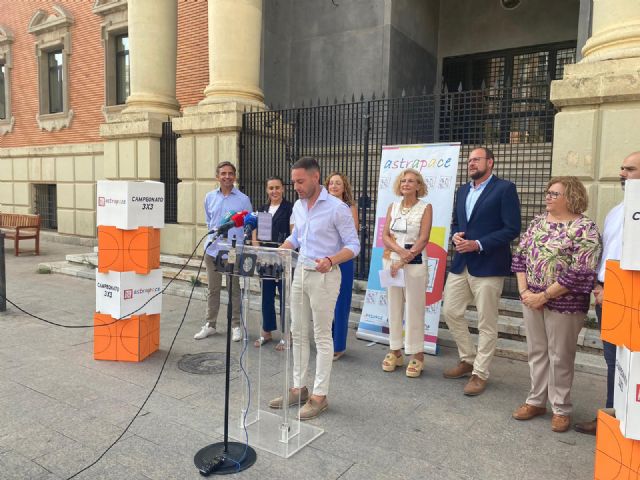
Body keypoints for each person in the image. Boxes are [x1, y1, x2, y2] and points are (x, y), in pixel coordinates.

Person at [268, 156, 360, 420]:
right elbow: (297, 237)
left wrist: (331, 260)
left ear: (315, 177)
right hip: (300, 273)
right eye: (293, 181)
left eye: (300, 181)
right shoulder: (298, 205)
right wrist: (283, 248)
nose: (295, 186)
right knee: (297, 332)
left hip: (325, 276)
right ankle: (299, 388)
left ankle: (320, 395)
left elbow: (354, 245)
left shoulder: (337, 208)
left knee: (321, 335)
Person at [511, 176, 601, 433]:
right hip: (531, 298)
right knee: (536, 351)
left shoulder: (585, 228)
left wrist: (545, 296)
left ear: (571, 197)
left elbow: (581, 271)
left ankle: (561, 408)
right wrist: (525, 291)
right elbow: (520, 256)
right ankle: (536, 401)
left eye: (554, 193)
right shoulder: (538, 222)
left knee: (560, 355)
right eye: (547, 192)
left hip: (565, 301)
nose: (547, 197)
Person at [442, 147, 521, 396]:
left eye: (476, 160)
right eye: (469, 161)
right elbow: (458, 221)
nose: (471, 164)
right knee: (451, 311)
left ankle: (480, 373)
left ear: (490, 162)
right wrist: (456, 234)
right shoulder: (463, 190)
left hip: (489, 264)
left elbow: (512, 229)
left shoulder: (505, 189)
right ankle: (467, 358)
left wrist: (478, 244)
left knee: (487, 322)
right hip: (461, 263)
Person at [574, 151, 640, 435]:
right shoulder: (617, 210)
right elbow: (606, 255)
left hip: (632, 298)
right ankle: (612, 418)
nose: (622, 174)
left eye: (630, 169)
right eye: (622, 168)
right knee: (614, 361)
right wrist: (598, 286)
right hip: (607, 296)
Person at [381, 169, 432, 377]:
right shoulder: (392, 207)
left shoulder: (425, 208)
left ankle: (417, 354)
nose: (406, 184)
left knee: (414, 307)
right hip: (391, 262)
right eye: (403, 180)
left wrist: (404, 257)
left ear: (419, 186)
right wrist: (398, 254)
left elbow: (424, 238)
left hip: (414, 263)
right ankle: (395, 350)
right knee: (393, 306)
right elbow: (385, 235)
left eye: (411, 181)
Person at [194, 161, 252, 342]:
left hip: (233, 251)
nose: (227, 176)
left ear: (235, 176)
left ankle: (235, 326)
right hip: (212, 250)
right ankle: (210, 324)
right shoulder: (209, 197)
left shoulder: (243, 199)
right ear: (217, 176)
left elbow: (248, 224)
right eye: (223, 173)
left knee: (234, 289)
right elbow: (209, 221)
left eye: (230, 173)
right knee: (213, 289)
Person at [252, 176, 293, 349]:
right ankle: (266, 331)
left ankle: (287, 334)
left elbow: (294, 232)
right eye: (271, 188)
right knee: (266, 297)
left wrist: (285, 250)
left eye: (277, 188)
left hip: (283, 258)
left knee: (285, 297)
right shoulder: (262, 209)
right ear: (267, 190)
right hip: (266, 259)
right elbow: (255, 230)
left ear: (283, 189)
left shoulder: (290, 208)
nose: (274, 191)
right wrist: (256, 247)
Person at [325, 172, 359, 361]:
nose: (334, 186)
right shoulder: (322, 206)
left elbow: (351, 232)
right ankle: (326, 341)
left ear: (344, 187)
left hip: (343, 258)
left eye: (338, 183)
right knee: (326, 301)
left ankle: (338, 346)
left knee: (341, 302)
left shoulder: (349, 207)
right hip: (327, 257)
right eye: (331, 183)